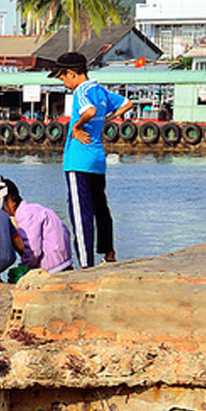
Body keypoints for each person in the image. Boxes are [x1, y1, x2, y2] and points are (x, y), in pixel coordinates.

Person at [50, 51, 133, 268]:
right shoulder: (101, 90)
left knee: (81, 214)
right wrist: (109, 117)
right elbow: (127, 103)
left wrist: (76, 127)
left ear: (72, 74)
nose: (63, 81)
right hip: (97, 159)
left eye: (62, 77)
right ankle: (109, 253)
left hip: (78, 161)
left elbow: (89, 110)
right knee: (101, 208)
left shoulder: (81, 91)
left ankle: (86, 265)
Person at [0, 177, 72, 275]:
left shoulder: (25, 214)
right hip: (64, 261)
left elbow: (33, 250)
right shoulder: (34, 209)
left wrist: (23, 267)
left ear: (10, 201)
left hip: (51, 266)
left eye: (2, 207)